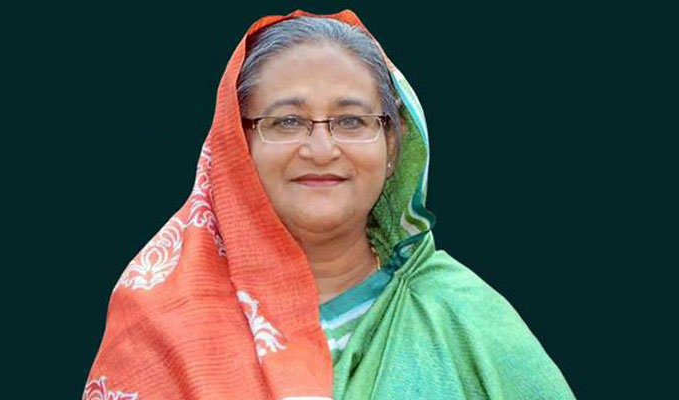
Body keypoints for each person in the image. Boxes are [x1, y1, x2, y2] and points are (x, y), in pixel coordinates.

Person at [83, 9, 576, 400]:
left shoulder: (465, 320)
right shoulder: (162, 322)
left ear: (392, 145)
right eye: (287, 122)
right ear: (238, 147)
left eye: (352, 121)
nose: (321, 150)